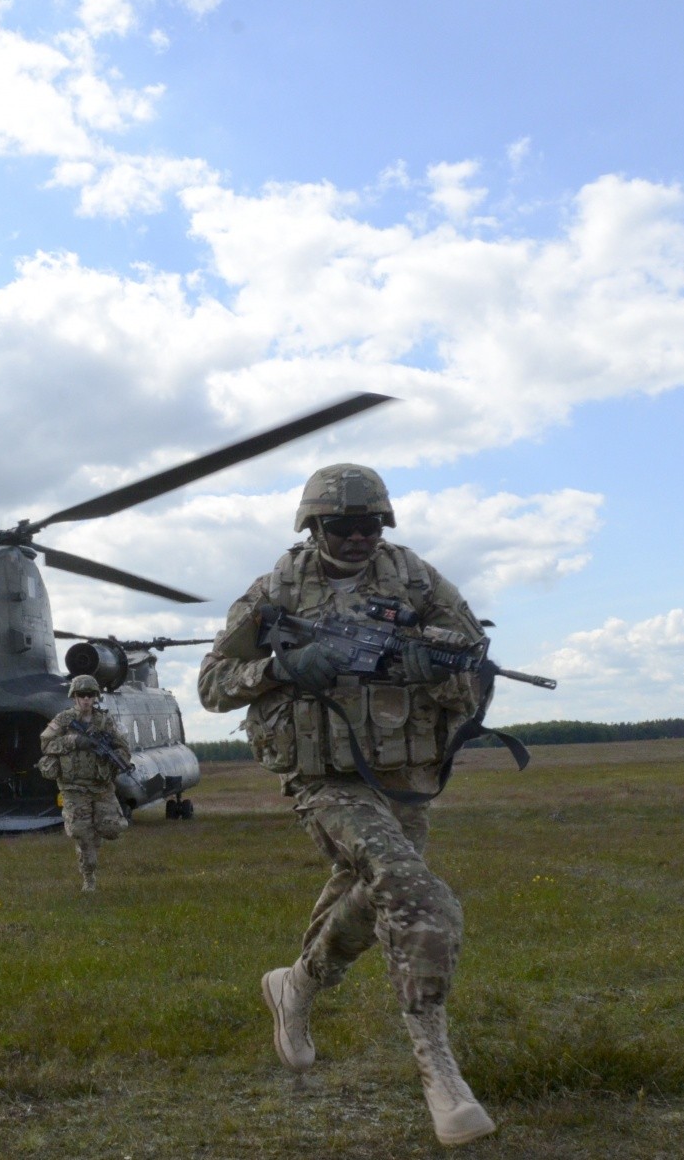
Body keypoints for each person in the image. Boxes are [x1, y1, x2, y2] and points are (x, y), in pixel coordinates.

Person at [196, 463, 497, 1146]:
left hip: (404, 775)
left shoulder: (417, 582)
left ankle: (296, 986)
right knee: (417, 897)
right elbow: (212, 684)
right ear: (313, 526)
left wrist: (442, 675)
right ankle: (438, 1069)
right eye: (343, 525)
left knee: (377, 888)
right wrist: (277, 668)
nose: (360, 537)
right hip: (324, 776)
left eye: (372, 524)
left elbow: (475, 671)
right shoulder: (278, 589)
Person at [38, 674, 132, 893]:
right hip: (73, 788)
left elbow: (122, 747)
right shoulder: (63, 720)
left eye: (90, 695)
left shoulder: (105, 721)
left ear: (96, 697)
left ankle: (96, 834)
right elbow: (46, 744)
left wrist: (118, 759)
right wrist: (74, 741)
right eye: (82, 695)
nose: (86, 700)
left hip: (101, 787)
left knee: (112, 828)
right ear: (74, 697)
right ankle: (89, 878)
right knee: (81, 833)